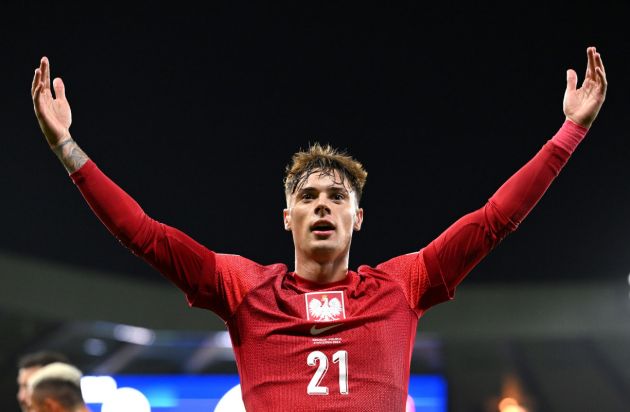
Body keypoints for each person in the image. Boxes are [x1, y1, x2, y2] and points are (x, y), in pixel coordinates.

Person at [31, 47, 607, 411]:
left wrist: (569, 134)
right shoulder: (245, 289)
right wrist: (68, 148)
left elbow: (493, 221)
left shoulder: (401, 285)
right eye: (307, 197)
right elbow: (145, 235)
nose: (322, 206)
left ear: (358, 217)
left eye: (338, 197)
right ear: (288, 218)